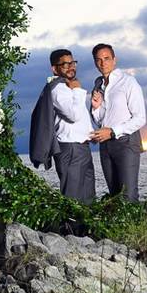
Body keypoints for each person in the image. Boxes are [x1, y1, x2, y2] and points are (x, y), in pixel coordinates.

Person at [29, 49, 96, 204]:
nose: (71, 66)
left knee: (88, 198)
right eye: (65, 64)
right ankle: (69, 229)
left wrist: (90, 134)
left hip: (81, 147)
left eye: (72, 63)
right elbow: (73, 115)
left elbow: (79, 120)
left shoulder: (67, 87)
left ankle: (83, 229)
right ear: (55, 69)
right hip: (70, 149)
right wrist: (78, 90)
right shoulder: (58, 88)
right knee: (72, 199)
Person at [89, 43, 146, 201]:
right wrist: (95, 107)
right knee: (114, 194)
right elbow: (100, 120)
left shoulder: (128, 82)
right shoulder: (98, 84)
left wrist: (113, 131)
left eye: (107, 58)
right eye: (98, 60)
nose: (103, 63)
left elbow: (140, 118)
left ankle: (135, 226)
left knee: (128, 194)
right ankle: (121, 226)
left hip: (126, 142)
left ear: (114, 60)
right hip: (106, 145)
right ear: (95, 62)